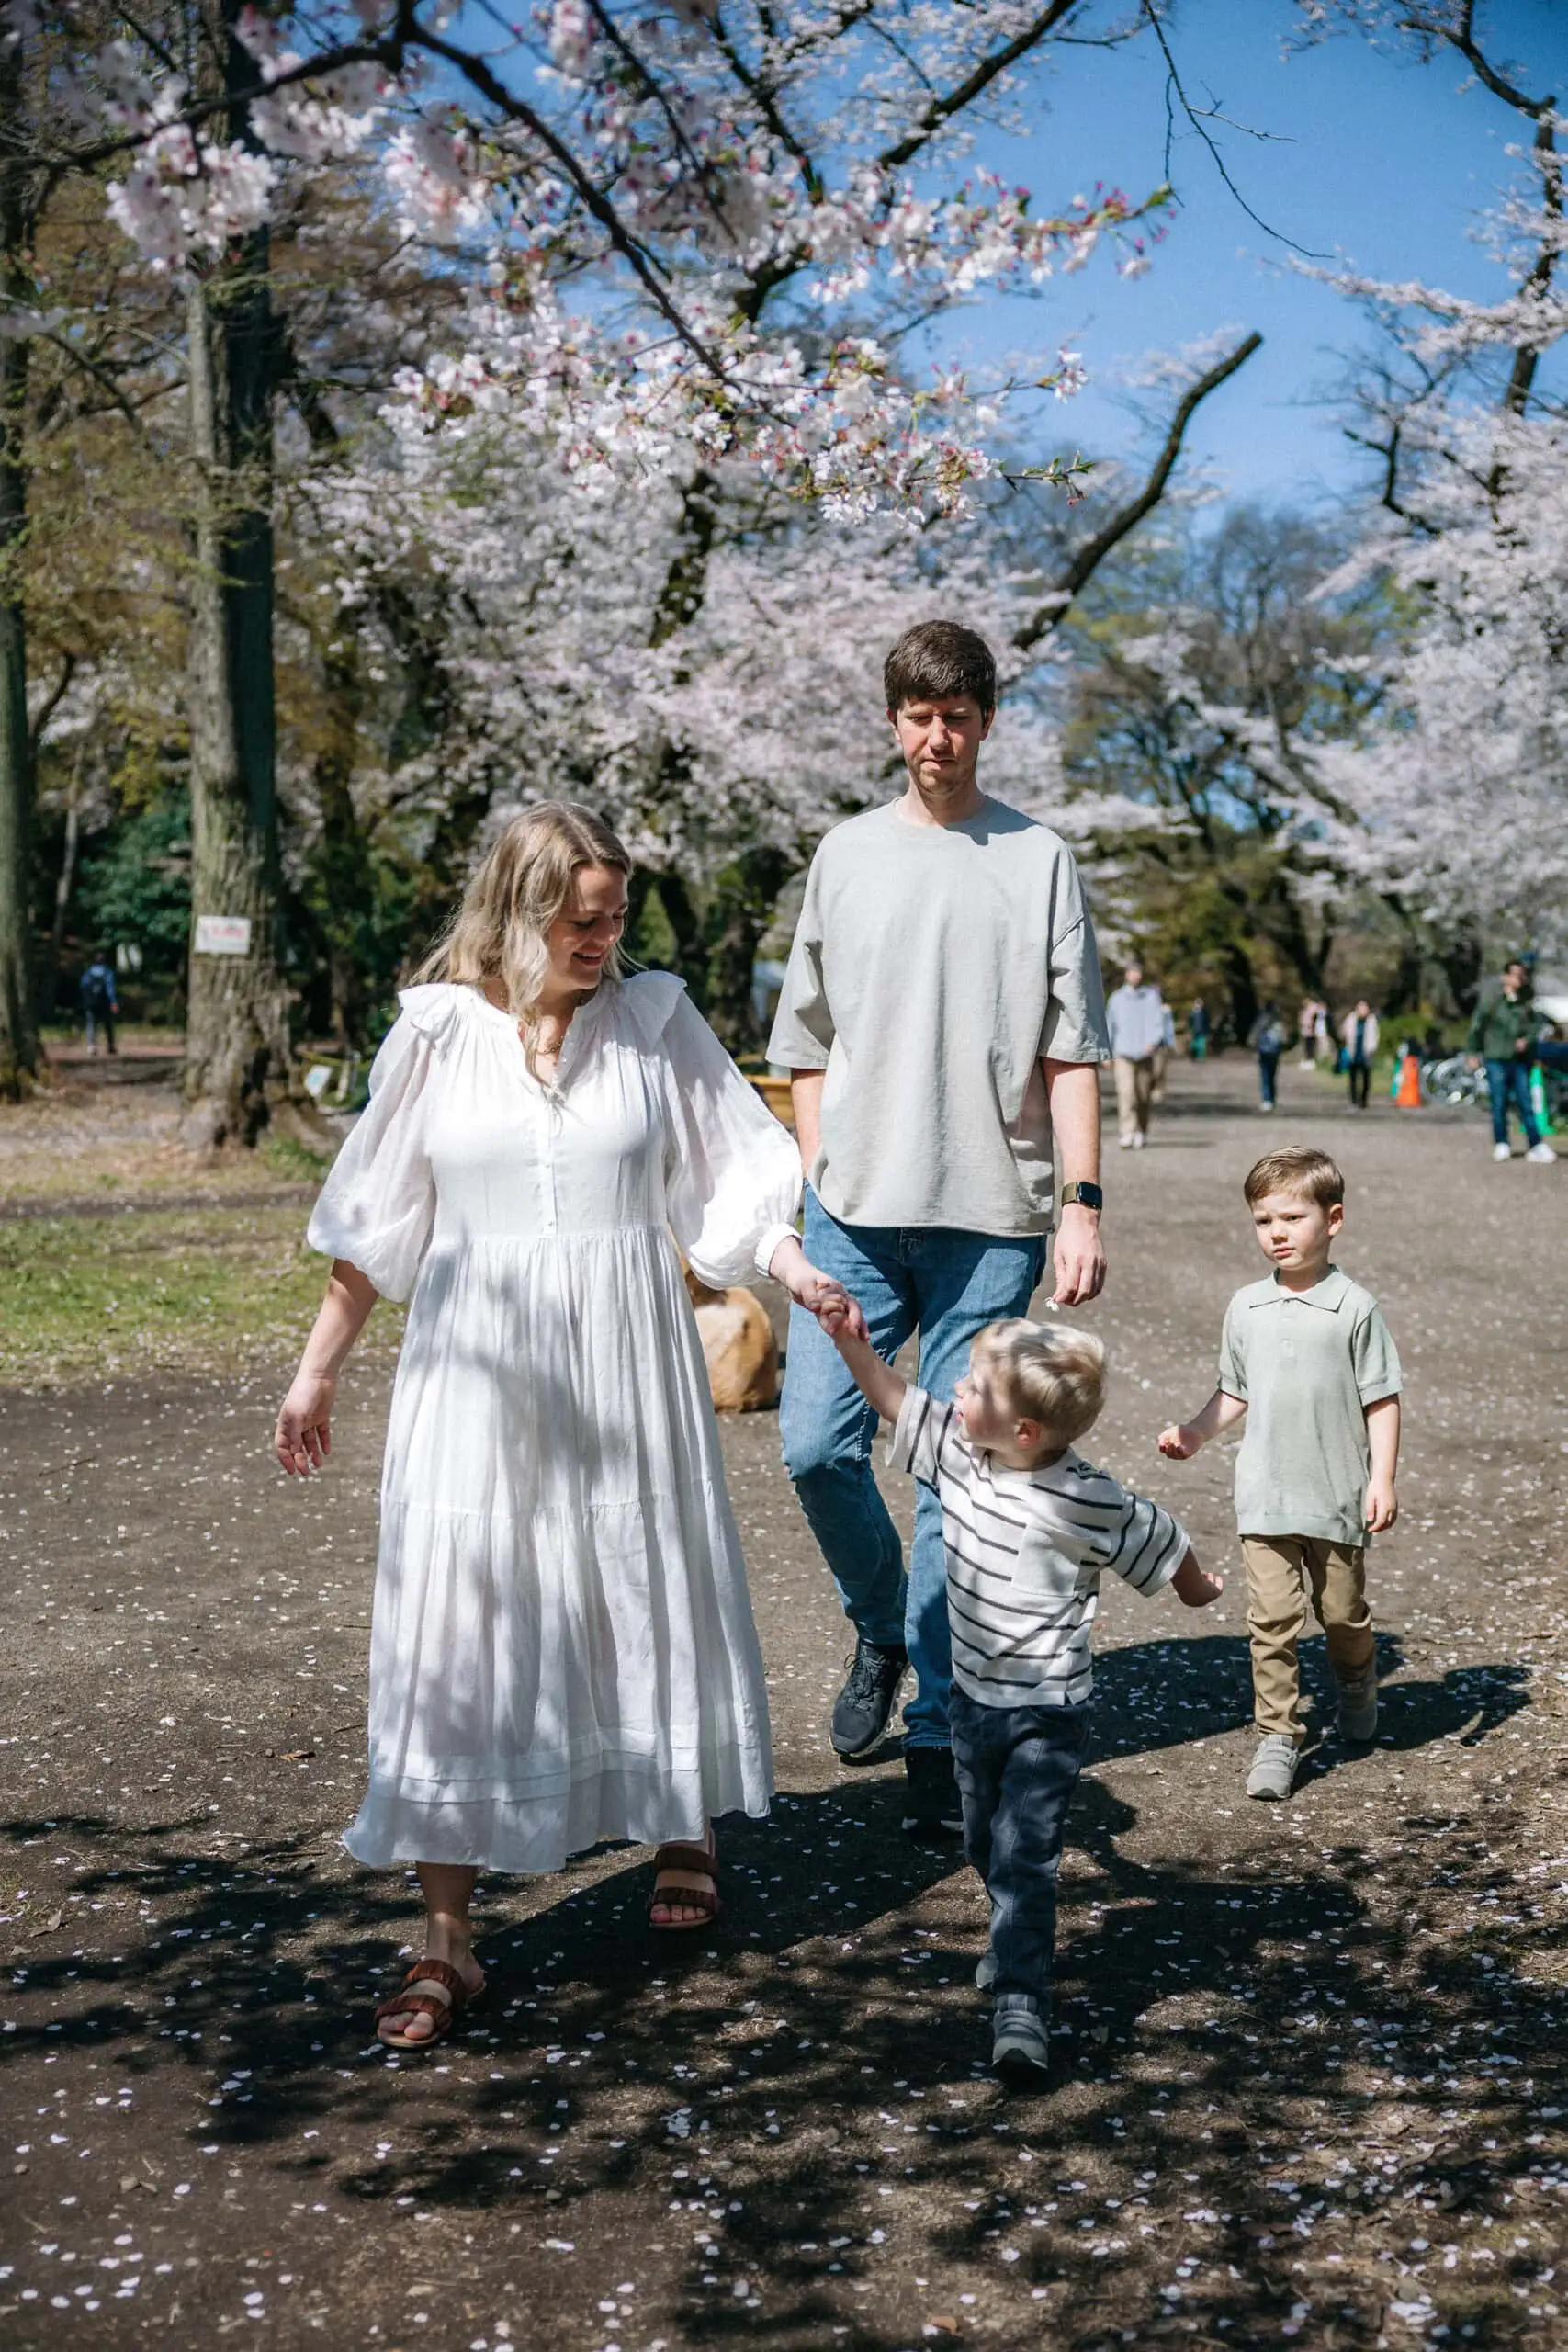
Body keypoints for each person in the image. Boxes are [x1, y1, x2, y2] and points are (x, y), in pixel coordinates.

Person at [275, 803, 847, 2051]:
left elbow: (733, 1175)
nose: (600, 939)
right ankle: (447, 1942)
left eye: (613, 916)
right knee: (462, 1620)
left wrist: (790, 1270)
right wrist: (316, 1374)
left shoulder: (651, 1021)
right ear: (515, 909)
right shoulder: (435, 1034)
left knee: (643, 1587)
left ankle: (680, 1826)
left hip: (626, 1364)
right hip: (476, 1377)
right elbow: (376, 1221)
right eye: (576, 918)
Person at [768, 619, 1110, 1842]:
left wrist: (1079, 1201)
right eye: (916, 717)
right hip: (853, 1212)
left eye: (955, 717)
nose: (935, 738)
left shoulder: (1036, 860)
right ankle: (880, 1631)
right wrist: (816, 1167)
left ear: (984, 721)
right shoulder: (846, 855)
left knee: (951, 1476)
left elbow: (1073, 1049)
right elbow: (801, 1038)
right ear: (891, 720)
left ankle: (931, 1726)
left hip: (990, 1213)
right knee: (813, 1444)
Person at [817, 1296, 1221, 2079]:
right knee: (980, 1840)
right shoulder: (960, 1455)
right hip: (970, 1703)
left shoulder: (1087, 1498)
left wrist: (1198, 1588)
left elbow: (1160, 1536)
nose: (955, 1395)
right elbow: (894, 1400)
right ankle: (1011, 1936)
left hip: (1047, 1713)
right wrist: (849, 1345)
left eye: (973, 1388)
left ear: (1025, 1433)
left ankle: (1021, 2000)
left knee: (1024, 1854)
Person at [1157, 1146, 1403, 1804]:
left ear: (1334, 1219)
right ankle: (1278, 1734)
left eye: (1292, 1218)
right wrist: (1194, 1432)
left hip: (1336, 1495)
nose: (1277, 1233)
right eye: (1263, 1221)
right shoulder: (1245, 1307)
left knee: (1342, 1615)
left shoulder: (1353, 1307)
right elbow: (1233, 1392)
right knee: (1270, 1620)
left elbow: (1381, 1398)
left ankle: (1356, 1683)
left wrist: (1381, 1478)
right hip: (1264, 1495)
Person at [1468, 957, 1556, 1164]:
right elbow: (1477, 1026)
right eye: (1515, 975)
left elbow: (1536, 1026)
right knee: (1499, 1102)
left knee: (1526, 1103)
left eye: (1522, 975)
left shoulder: (1526, 1002)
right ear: (1506, 977)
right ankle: (1502, 1142)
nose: (1519, 979)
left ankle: (1535, 1145)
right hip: (1496, 1058)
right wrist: (1473, 1052)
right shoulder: (1492, 1000)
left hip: (1519, 1060)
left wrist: (1528, 1040)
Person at [1105, 959, 1166, 1148]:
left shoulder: (1151, 997)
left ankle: (1141, 1129)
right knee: (1125, 1093)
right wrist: (1107, 1052)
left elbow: (1158, 1023)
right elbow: (1109, 1025)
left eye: (1138, 972)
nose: (1135, 976)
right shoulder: (1116, 998)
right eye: (1132, 972)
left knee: (1142, 1096)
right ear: (1126, 974)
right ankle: (1126, 1131)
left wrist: (1153, 1042)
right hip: (1122, 1053)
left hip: (1145, 1054)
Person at [1340, 998, 1379, 1111]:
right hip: (1353, 1052)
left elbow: (1375, 1036)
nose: (1363, 1010)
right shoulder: (1351, 1019)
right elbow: (1344, 1032)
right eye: (1360, 1008)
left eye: (1365, 1008)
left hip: (1366, 1053)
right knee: (1353, 1078)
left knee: (1366, 1078)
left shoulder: (1372, 1021)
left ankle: (1363, 1100)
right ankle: (1354, 1100)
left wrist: (1372, 1049)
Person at [80, 948, 118, 1057]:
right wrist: (113, 1002)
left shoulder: (88, 972)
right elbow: (110, 989)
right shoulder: (108, 972)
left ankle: (92, 1046)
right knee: (108, 1024)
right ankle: (110, 1046)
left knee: (91, 1023)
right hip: (104, 1003)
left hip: (91, 1002)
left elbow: (82, 986)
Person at [1250, 1003, 1286, 1111]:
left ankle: (1266, 1100)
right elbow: (1283, 1039)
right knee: (1272, 1076)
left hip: (1263, 1051)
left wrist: (1254, 1047)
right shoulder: (1277, 1022)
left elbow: (1253, 1037)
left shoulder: (1260, 1021)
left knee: (1265, 1076)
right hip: (1275, 1052)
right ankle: (1272, 1098)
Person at [1188, 995, 1211, 1062]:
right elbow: (1190, 1023)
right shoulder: (1192, 1013)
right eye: (1197, 1003)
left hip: (1202, 1032)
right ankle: (1193, 1057)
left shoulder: (1204, 1013)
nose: (1199, 1005)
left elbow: (1207, 1023)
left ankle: (1200, 1058)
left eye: (1200, 1003)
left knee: (1202, 1046)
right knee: (1194, 1046)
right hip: (1194, 1032)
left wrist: (1207, 1031)